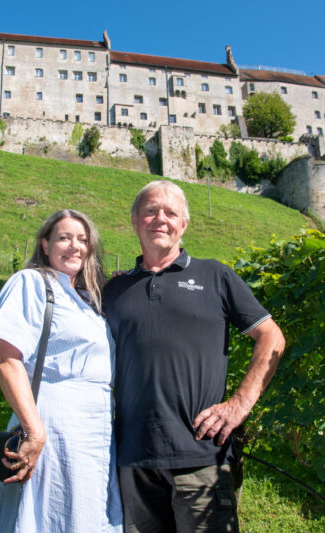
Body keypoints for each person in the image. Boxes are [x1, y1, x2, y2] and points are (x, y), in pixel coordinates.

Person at [103, 180, 286, 532]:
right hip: (132, 460)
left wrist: (240, 402)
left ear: (183, 224)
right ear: (134, 220)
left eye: (170, 212)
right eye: (151, 211)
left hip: (201, 458)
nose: (160, 219)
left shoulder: (214, 275)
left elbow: (271, 336)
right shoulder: (114, 290)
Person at [0, 209, 123, 533]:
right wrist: (35, 432)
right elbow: (7, 358)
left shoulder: (88, 300)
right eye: (64, 237)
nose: (74, 246)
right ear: (45, 245)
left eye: (82, 239)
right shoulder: (32, 283)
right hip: (54, 426)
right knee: (49, 517)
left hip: (96, 433)